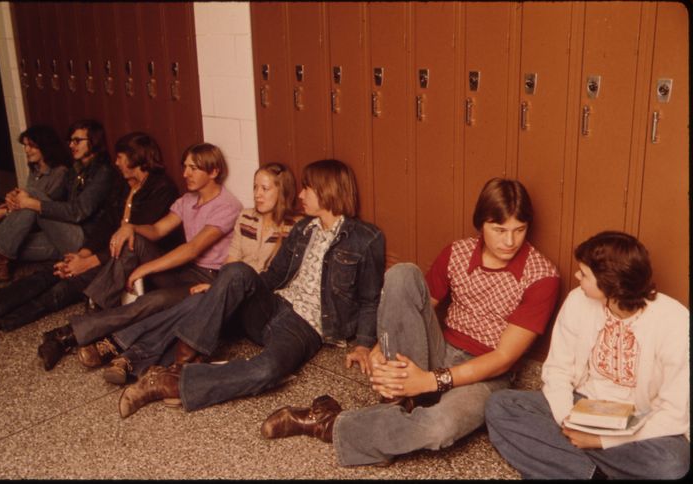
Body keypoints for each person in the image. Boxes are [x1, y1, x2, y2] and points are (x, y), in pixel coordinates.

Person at [260, 177, 561, 467]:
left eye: (519, 230)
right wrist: (380, 347)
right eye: (499, 230)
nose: (510, 241)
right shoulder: (458, 252)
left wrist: (431, 381)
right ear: (481, 224)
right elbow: (411, 306)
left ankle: (329, 422)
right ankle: (399, 396)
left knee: (440, 428)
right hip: (439, 349)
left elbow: (503, 358)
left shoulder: (541, 275)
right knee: (402, 274)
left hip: (487, 374)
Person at [115, 158, 385, 419]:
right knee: (232, 273)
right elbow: (274, 274)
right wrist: (227, 289)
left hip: (305, 327)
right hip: (273, 305)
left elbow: (370, 299)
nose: (301, 194)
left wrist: (363, 344)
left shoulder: (366, 238)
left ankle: (168, 381)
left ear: (327, 191)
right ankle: (177, 363)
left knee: (268, 370)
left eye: (307, 188)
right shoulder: (304, 228)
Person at [484, 231, 689, 480]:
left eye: (584, 274)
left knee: (673, 462)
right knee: (501, 405)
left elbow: (675, 414)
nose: (576, 276)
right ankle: (592, 474)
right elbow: (557, 370)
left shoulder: (675, 320)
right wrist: (566, 419)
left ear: (609, 284)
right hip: (581, 404)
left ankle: (560, 463)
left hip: (639, 418)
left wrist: (600, 441)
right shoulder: (577, 300)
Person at [82, 162, 300, 385]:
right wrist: (219, 287)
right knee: (193, 304)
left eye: (265, 189)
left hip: (258, 306)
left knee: (197, 303)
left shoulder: (295, 228)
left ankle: (120, 346)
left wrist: (218, 288)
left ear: (282, 190)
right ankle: (129, 359)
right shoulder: (246, 217)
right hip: (229, 289)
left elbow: (276, 277)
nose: (257, 195)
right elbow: (231, 260)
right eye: (255, 187)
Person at [36, 142, 242, 370]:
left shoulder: (227, 206)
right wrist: (130, 227)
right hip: (185, 271)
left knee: (152, 301)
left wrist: (147, 268)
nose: (185, 174)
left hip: (208, 280)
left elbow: (192, 249)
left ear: (213, 172)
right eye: (185, 167)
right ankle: (94, 312)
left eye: (193, 168)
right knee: (132, 241)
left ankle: (66, 335)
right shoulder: (188, 200)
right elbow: (157, 230)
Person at [0, 132, 180, 336]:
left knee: (65, 287)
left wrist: (88, 262)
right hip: (106, 251)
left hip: (133, 260)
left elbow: (136, 242)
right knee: (51, 271)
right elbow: (105, 223)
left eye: (119, 157)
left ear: (134, 157)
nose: (116, 162)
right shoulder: (123, 184)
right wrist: (83, 254)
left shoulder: (161, 188)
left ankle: (3, 321)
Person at [0, 119, 113, 284]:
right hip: (61, 236)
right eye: (70, 141)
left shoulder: (103, 172)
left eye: (77, 141)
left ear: (94, 141)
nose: (71, 145)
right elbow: (53, 200)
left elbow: (78, 212)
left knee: (32, 196)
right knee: (2, 241)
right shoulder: (74, 170)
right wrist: (14, 200)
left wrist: (30, 202)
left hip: (84, 241)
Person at [0, 124, 69, 272]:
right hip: (22, 222)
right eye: (25, 146)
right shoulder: (35, 171)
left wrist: (6, 213)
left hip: (44, 229)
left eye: (31, 146)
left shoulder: (60, 173)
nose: (26, 150)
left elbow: (40, 209)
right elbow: (23, 201)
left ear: (45, 146)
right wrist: (9, 202)